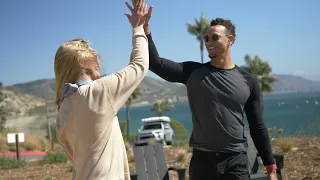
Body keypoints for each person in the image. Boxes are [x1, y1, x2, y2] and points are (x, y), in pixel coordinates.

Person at [143, 8, 278, 180]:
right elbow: (155, 63)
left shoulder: (248, 81)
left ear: (230, 40)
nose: (209, 42)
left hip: (236, 162)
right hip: (202, 163)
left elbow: (257, 126)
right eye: (207, 38)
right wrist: (145, 29)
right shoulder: (193, 72)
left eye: (215, 37)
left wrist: (271, 167)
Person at [53, 0, 149, 179]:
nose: (99, 70)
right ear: (83, 64)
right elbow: (139, 65)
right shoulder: (97, 93)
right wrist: (138, 28)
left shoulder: (64, 105)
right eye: (95, 62)